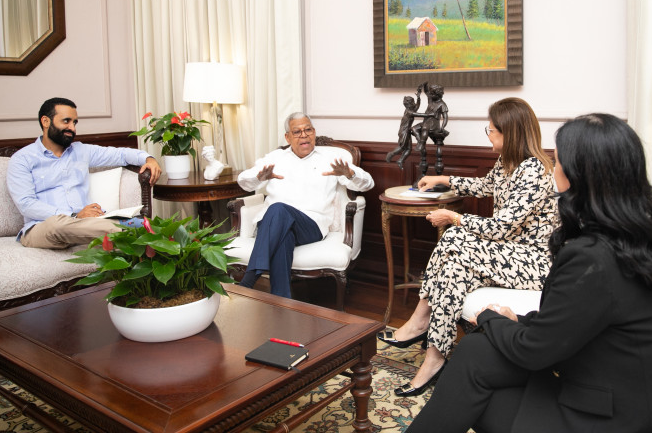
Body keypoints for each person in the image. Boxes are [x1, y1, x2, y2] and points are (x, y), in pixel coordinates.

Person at [406, 114, 652, 433]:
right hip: (630, 398)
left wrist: (490, 318)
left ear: (579, 175)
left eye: (557, 161)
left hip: (620, 419)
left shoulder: (593, 257)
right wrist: (517, 321)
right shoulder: (635, 239)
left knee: (473, 381)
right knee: (476, 353)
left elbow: (534, 351)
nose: (552, 169)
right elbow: (577, 319)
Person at [377, 97, 557, 397]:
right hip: (506, 254)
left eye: (491, 130)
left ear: (509, 133)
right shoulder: (508, 162)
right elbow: (485, 186)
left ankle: (421, 322)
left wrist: (454, 217)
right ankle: (435, 357)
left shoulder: (534, 170)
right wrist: (445, 179)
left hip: (533, 262)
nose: (488, 134)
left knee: (454, 237)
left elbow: (502, 227)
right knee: (454, 267)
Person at [236, 112, 374, 298]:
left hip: (310, 226)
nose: (304, 135)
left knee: (278, 208)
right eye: (297, 132)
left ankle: (249, 279)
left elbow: (368, 183)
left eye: (308, 130)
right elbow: (243, 182)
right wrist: (258, 177)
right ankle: (282, 302)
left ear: (314, 132)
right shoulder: (275, 157)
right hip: (273, 225)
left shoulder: (331, 158)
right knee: (284, 234)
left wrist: (349, 174)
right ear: (287, 137)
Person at [7, 97, 162, 249]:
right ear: (45, 121)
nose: (72, 128)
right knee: (56, 224)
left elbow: (121, 154)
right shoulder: (22, 159)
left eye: (74, 123)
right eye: (66, 121)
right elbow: (26, 204)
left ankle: (129, 229)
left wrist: (149, 159)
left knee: (85, 223)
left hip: (84, 224)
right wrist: (73, 215)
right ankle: (136, 229)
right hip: (41, 227)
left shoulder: (81, 151)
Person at [385, 86, 422, 169]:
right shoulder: (409, 112)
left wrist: (418, 98)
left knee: (409, 149)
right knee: (402, 147)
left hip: (407, 131)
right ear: (409, 104)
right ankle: (390, 154)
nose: (414, 104)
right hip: (404, 131)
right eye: (413, 102)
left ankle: (400, 160)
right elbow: (419, 114)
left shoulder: (410, 110)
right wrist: (431, 114)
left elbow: (417, 106)